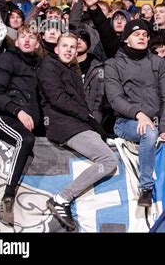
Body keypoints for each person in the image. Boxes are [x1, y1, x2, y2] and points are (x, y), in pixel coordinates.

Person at [38, 33, 118, 231]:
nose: (68, 50)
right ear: (56, 49)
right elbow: (57, 98)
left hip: (78, 123)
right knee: (108, 161)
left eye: (72, 47)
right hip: (64, 125)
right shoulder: (49, 65)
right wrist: (86, 116)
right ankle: (62, 198)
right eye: (64, 46)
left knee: (111, 151)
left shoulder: (71, 70)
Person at [105, 20, 165, 207]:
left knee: (153, 130)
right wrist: (138, 114)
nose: (142, 37)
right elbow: (115, 99)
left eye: (145, 34)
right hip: (126, 122)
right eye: (136, 34)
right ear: (126, 39)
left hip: (155, 121)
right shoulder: (113, 64)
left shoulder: (158, 62)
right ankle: (146, 188)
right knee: (149, 132)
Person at [0, 26, 43, 226]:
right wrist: (17, 110)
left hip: (30, 121)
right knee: (25, 139)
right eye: (23, 36)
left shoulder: (40, 65)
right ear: (17, 41)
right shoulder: (7, 59)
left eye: (32, 37)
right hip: (6, 118)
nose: (27, 40)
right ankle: (8, 197)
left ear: (37, 43)